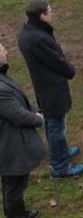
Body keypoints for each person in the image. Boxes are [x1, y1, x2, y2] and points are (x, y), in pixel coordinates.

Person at [17, 1, 83, 179]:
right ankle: (60, 167)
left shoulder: (27, 31)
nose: (52, 13)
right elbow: (56, 60)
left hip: (43, 85)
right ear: (41, 15)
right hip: (51, 87)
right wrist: (70, 70)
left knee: (51, 123)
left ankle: (59, 153)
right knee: (56, 126)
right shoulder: (38, 37)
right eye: (49, 11)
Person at [0, 41, 47, 218]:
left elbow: (18, 101)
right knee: (14, 185)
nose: (5, 50)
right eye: (1, 49)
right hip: (10, 146)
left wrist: (34, 108)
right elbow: (17, 115)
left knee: (11, 183)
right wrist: (38, 118)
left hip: (9, 143)